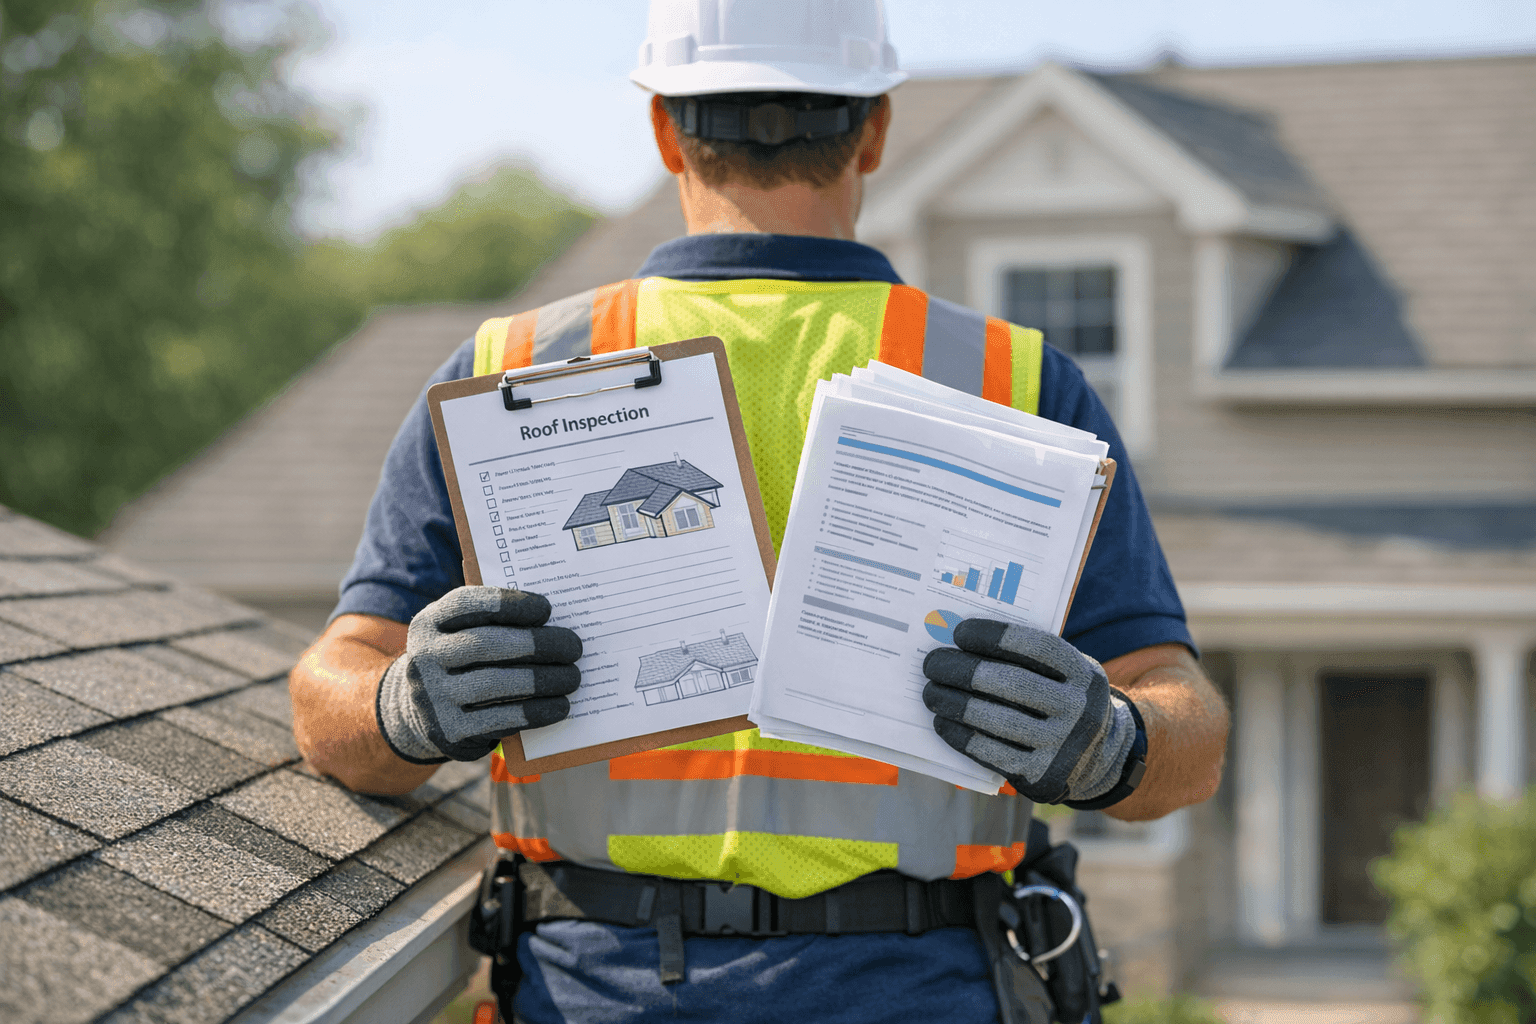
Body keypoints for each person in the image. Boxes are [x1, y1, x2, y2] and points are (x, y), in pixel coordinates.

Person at [289, 1, 1229, 1020]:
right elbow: (1191, 733)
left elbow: (328, 702)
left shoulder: (513, 371)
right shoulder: (1014, 381)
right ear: (876, 127)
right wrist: (1113, 743)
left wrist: (404, 707)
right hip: (926, 988)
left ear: (662, 128)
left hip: (597, 992)